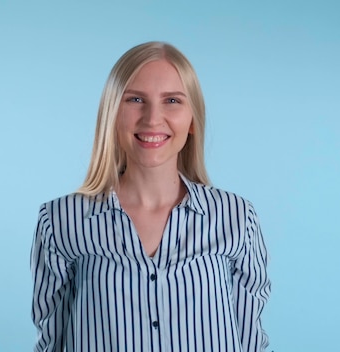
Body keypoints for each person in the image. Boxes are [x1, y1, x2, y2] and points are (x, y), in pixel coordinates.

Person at [30, 41, 271, 351]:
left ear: (192, 119)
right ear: (112, 114)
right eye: (135, 99)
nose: (152, 118)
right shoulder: (62, 221)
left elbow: (252, 341)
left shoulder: (235, 217)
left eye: (172, 100)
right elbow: (51, 342)